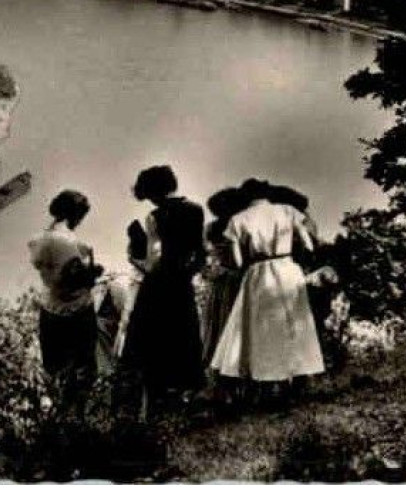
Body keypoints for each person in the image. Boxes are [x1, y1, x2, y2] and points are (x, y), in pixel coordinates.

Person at [209, 178, 325, 392]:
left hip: (259, 272)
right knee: (294, 324)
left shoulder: (238, 219)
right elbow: (309, 245)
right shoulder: (288, 211)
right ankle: (300, 378)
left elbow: (238, 261)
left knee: (263, 330)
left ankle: (269, 382)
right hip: (288, 268)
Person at [119, 165, 207, 410]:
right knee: (183, 336)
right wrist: (188, 273)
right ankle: (183, 397)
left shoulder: (155, 217)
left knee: (153, 343)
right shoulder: (195, 210)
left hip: (158, 286)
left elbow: (152, 260)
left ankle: (154, 403)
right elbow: (200, 252)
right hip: (183, 283)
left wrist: (132, 255)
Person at [27, 189, 101, 399]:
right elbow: (72, 283)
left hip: (49, 310)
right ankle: (79, 416)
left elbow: (47, 271)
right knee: (83, 369)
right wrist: (92, 273)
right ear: (76, 215)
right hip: (76, 312)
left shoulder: (36, 240)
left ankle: (59, 416)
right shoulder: (69, 243)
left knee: (54, 369)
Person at [199, 186, 248, 366]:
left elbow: (201, 255)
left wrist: (208, 272)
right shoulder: (235, 225)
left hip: (224, 279)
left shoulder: (211, 228)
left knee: (218, 323)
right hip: (236, 278)